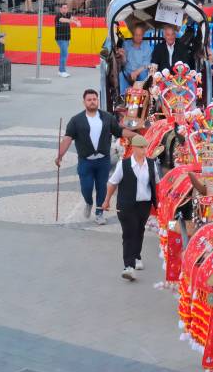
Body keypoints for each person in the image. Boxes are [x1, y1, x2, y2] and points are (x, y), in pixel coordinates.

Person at [56, 89, 122, 225]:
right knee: (86, 188)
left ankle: (99, 212)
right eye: (89, 100)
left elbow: (119, 131)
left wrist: (133, 134)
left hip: (103, 160)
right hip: (85, 161)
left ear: (97, 100)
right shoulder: (76, 120)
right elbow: (67, 139)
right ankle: (88, 202)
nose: (92, 102)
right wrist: (59, 155)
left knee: (101, 187)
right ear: (84, 102)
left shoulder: (108, 117)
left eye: (94, 99)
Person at [102, 134, 157, 282]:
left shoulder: (151, 164)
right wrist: (106, 200)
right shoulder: (123, 164)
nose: (144, 150)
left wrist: (160, 202)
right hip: (126, 205)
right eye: (141, 147)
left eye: (145, 147)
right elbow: (112, 183)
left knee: (139, 231)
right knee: (129, 233)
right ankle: (129, 267)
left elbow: (156, 183)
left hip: (144, 204)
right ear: (133, 148)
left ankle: (137, 255)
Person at [118, 24, 152, 96]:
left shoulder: (146, 46)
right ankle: (124, 96)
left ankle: (143, 96)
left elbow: (147, 65)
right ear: (132, 35)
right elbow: (124, 63)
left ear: (143, 35)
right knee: (121, 74)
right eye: (136, 35)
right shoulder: (126, 44)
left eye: (140, 35)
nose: (138, 37)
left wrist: (136, 72)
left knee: (144, 75)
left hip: (141, 71)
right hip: (128, 71)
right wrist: (123, 56)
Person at [55, 2, 79, 78]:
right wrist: (75, 22)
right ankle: (62, 71)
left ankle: (60, 71)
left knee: (63, 54)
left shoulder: (68, 15)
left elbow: (72, 18)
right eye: (64, 8)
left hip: (67, 38)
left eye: (66, 8)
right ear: (60, 9)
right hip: (61, 39)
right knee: (64, 54)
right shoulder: (58, 16)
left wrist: (77, 20)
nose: (65, 9)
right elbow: (64, 20)